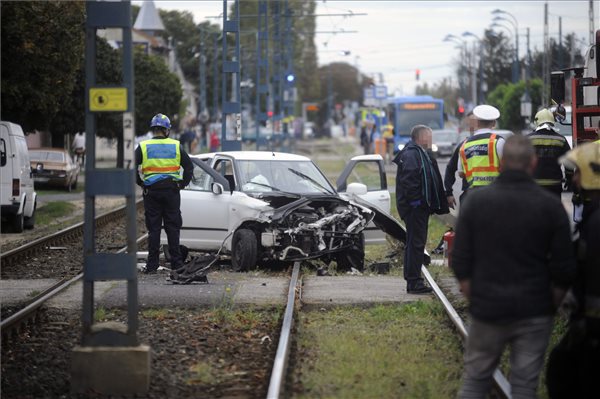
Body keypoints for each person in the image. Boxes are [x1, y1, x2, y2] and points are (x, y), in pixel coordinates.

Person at [452, 135, 576, 398]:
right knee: (524, 385)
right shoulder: (551, 207)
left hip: (487, 309)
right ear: (532, 163)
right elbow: (565, 268)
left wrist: (477, 297)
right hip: (534, 309)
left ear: (501, 163)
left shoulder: (475, 203)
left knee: (475, 381)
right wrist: (549, 305)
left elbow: (461, 261)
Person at [546, 141, 600, 398]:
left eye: (578, 171)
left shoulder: (596, 222)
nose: (574, 178)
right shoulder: (593, 216)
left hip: (593, 330)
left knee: (563, 371)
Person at [393, 124, 449, 294]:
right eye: (430, 136)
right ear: (422, 137)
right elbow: (410, 180)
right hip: (415, 208)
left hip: (418, 207)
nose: (432, 140)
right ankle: (414, 282)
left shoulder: (419, 153)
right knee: (416, 243)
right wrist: (417, 203)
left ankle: (412, 279)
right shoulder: (412, 154)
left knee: (414, 243)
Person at [135, 113, 193, 274]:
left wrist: (141, 182)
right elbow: (189, 167)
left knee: (154, 230)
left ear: (153, 130)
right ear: (167, 130)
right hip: (171, 192)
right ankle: (177, 264)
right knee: (172, 228)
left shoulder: (143, 146)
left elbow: (131, 166)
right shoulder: (176, 146)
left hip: (151, 192)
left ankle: (152, 265)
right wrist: (182, 183)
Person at [526, 108, 572, 197]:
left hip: (533, 185)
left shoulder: (528, 139)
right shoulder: (561, 140)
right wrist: (569, 179)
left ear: (537, 122)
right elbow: (569, 163)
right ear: (552, 122)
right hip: (555, 186)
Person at [458, 104, 504, 192]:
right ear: (494, 123)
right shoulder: (498, 141)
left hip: (473, 195)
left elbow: (460, 173)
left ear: (477, 123)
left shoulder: (464, 145)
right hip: (495, 192)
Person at [445, 111, 476, 209]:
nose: (472, 126)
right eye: (470, 123)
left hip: (491, 193)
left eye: (474, 122)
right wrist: (449, 193)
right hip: (469, 194)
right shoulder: (464, 145)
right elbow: (450, 168)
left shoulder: (496, 143)